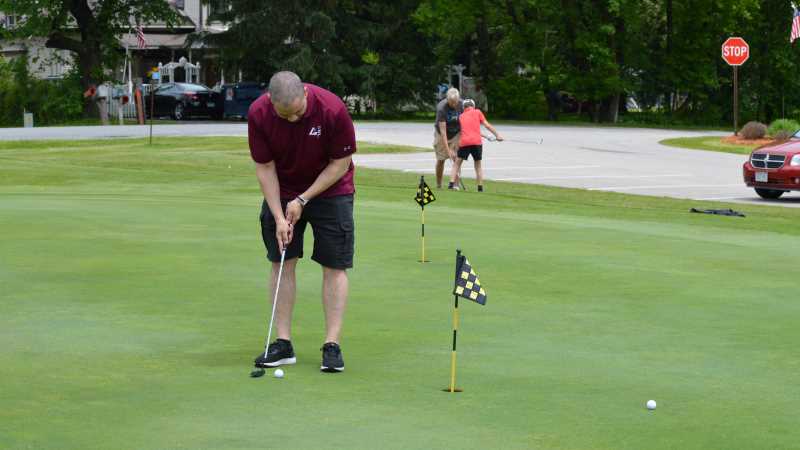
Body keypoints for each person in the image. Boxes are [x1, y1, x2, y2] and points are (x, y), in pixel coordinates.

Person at [248, 71, 356, 373]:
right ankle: (283, 344)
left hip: (332, 191)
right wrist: (280, 216)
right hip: (281, 191)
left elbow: (340, 163)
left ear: (305, 95)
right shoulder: (258, 113)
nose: (293, 119)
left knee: (334, 265)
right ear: (271, 102)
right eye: (285, 115)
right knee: (282, 260)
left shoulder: (332, 109)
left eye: (298, 112)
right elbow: (265, 167)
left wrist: (303, 199)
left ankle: (331, 345)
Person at [448, 99, 503, 192]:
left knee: (456, 164)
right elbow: (487, 125)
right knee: (478, 166)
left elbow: (467, 130)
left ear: (464, 107)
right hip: (477, 143)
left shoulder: (461, 116)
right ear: (473, 106)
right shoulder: (478, 112)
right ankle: (480, 188)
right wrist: (497, 135)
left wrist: (487, 136)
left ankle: (451, 184)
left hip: (465, 143)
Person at [433, 88, 463, 188]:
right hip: (441, 134)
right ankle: (439, 185)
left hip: (456, 133)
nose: (454, 105)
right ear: (447, 99)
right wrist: (448, 150)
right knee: (441, 159)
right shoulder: (442, 108)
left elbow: (464, 124)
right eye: (451, 102)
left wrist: (458, 142)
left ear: (458, 99)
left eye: (455, 102)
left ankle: (455, 185)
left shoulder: (462, 105)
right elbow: (443, 132)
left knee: (456, 158)